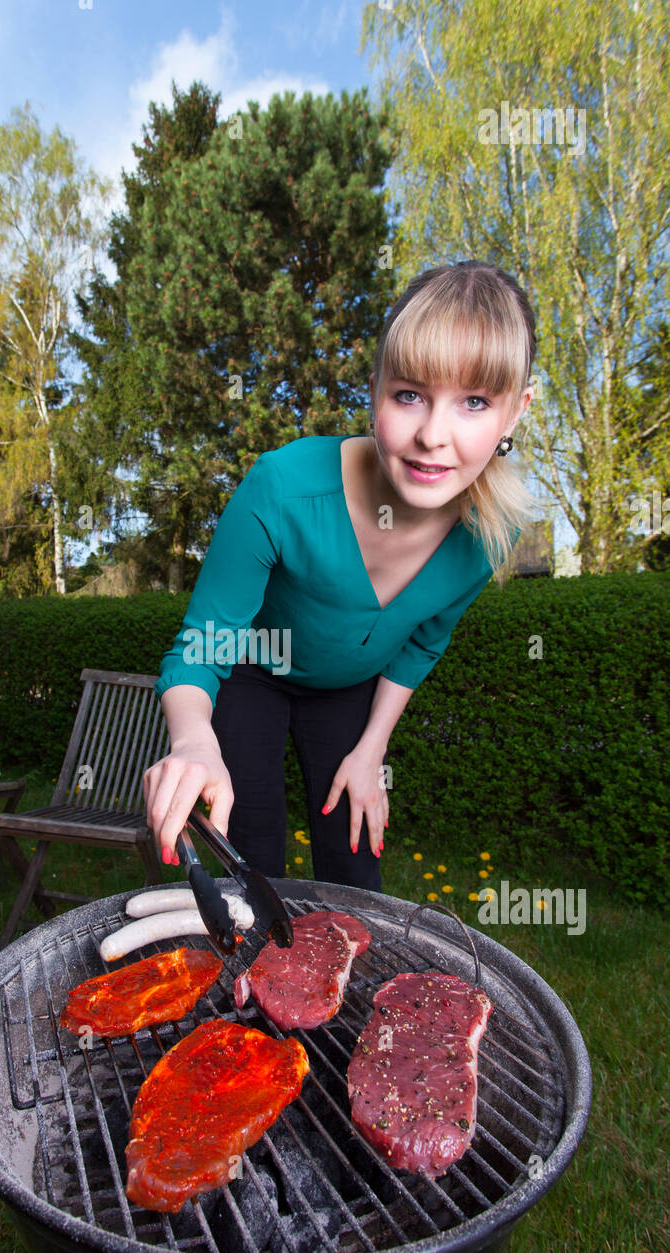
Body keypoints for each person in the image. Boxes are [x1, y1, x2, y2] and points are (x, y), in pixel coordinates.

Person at [144, 260, 537, 890]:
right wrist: (193, 740)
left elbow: (421, 644)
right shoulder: (280, 487)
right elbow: (202, 645)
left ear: (514, 413)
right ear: (376, 386)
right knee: (249, 860)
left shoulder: (489, 535)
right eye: (409, 394)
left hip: (350, 693)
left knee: (355, 862)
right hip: (252, 674)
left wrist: (373, 746)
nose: (433, 435)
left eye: (474, 402)